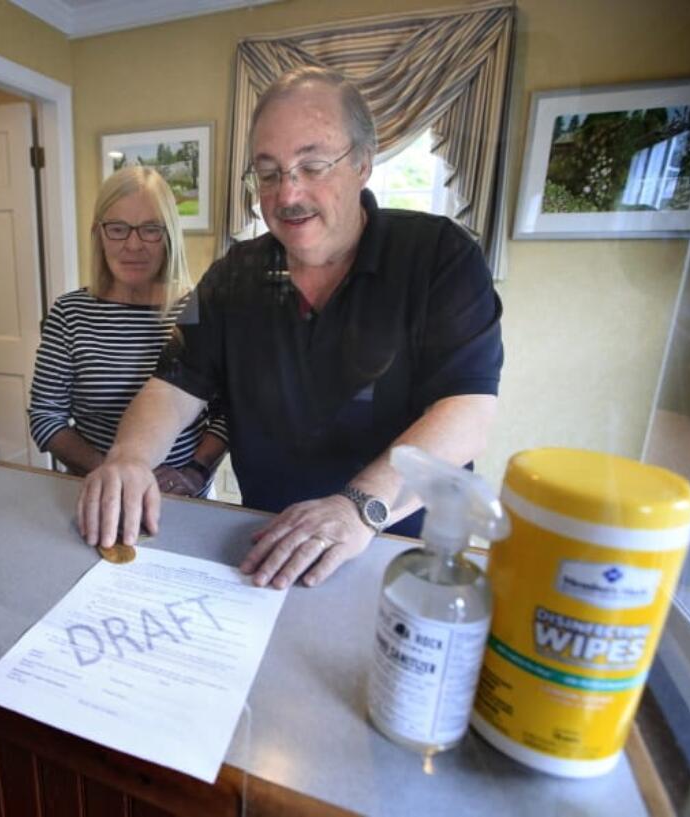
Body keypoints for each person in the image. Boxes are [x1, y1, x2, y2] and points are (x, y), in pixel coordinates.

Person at [77, 66, 503, 588]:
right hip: (266, 548)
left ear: (363, 164)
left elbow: (468, 411)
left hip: (402, 552)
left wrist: (356, 508)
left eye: (313, 164)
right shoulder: (233, 275)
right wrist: (128, 459)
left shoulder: (440, 255)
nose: (287, 193)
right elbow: (172, 385)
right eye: (270, 171)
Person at [29, 166, 227, 497]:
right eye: (118, 228)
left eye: (150, 229)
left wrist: (195, 471)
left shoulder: (199, 312)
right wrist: (114, 473)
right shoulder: (70, 312)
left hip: (181, 498)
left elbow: (227, 414)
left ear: (169, 236)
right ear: (98, 233)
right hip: (96, 491)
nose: (133, 245)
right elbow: (46, 415)